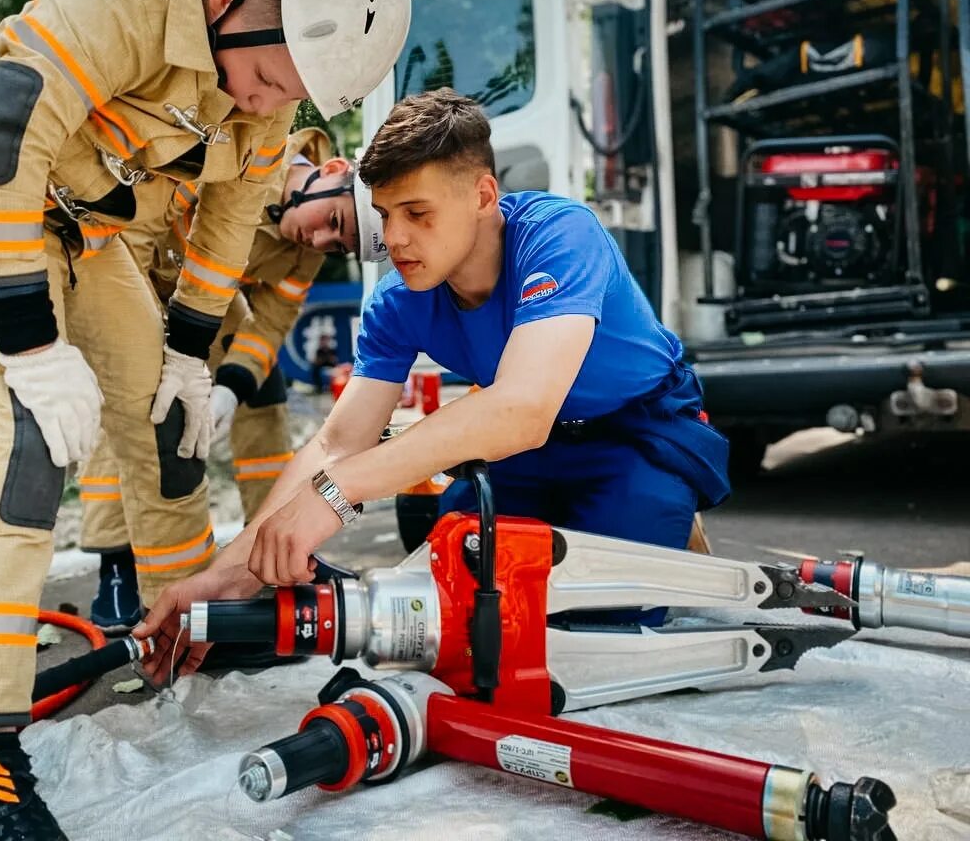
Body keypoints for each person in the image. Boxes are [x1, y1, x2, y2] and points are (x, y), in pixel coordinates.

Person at [0, 0, 409, 840]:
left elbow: (233, 218)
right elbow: (0, 137)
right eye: (269, 75)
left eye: (292, 96)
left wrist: (193, 356)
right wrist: (31, 341)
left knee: (167, 421)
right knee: (22, 439)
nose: (270, 104)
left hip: (84, 225)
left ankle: (181, 623)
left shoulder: (265, 91)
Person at [136, 88, 730, 679]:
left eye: (418, 214)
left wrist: (332, 494)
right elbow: (338, 442)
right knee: (453, 616)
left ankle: (670, 521)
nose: (394, 239)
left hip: (635, 436)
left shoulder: (560, 234)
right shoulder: (398, 298)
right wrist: (232, 571)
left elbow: (520, 409)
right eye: (386, 214)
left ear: (483, 195)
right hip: (530, 455)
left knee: (598, 640)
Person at [79, 126, 388, 633]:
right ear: (332, 173)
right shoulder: (244, 159)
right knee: (138, 403)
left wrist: (229, 389)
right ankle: (116, 568)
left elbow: (269, 323)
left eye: (338, 244)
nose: (319, 240)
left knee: (263, 389)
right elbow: (132, 229)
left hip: (201, 302)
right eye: (332, 221)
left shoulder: (306, 249)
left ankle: (269, 549)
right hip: (132, 277)